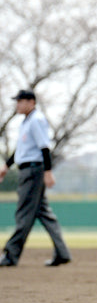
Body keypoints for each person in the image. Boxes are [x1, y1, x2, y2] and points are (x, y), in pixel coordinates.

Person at [0, 89, 71, 267]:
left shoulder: (37, 120)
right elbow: (20, 150)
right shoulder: (27, 122)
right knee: (43, 213)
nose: (17, 104)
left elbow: (44, 147)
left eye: (21, 101)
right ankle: (62, 253)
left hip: (33, 171)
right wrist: (6, 166)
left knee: (24, 212)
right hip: (28, 169)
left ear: (31, 102)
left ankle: (10, 253)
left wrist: (48, 172)